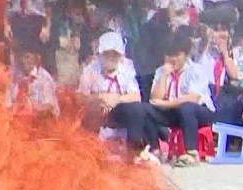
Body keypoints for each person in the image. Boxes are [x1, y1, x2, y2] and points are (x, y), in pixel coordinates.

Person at [78, 32, 159, 164]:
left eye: (114, 54)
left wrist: (116, 99)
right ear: (100, 54)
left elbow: (136, 96)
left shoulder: (127, 69)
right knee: (91, 111)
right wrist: (100, 98)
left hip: (118, 112)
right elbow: (80, 97)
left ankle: (135, 151)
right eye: (107, 54)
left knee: (138, 109)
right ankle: (92, 151)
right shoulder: (90, 70)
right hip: (97, 114)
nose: (110, 58)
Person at [149, 30, 215, 167]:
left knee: (186, 107)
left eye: (177, 55)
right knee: (146, 110)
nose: (172, 59)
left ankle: (191, 153)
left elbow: (193, 98)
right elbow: (155, 99)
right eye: (169, 55)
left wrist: (165, 104)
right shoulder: (161, 71)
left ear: (185, 55)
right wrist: (165, 76)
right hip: (174, 112)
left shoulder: (196, 70)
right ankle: (154, 150)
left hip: (200, 112)